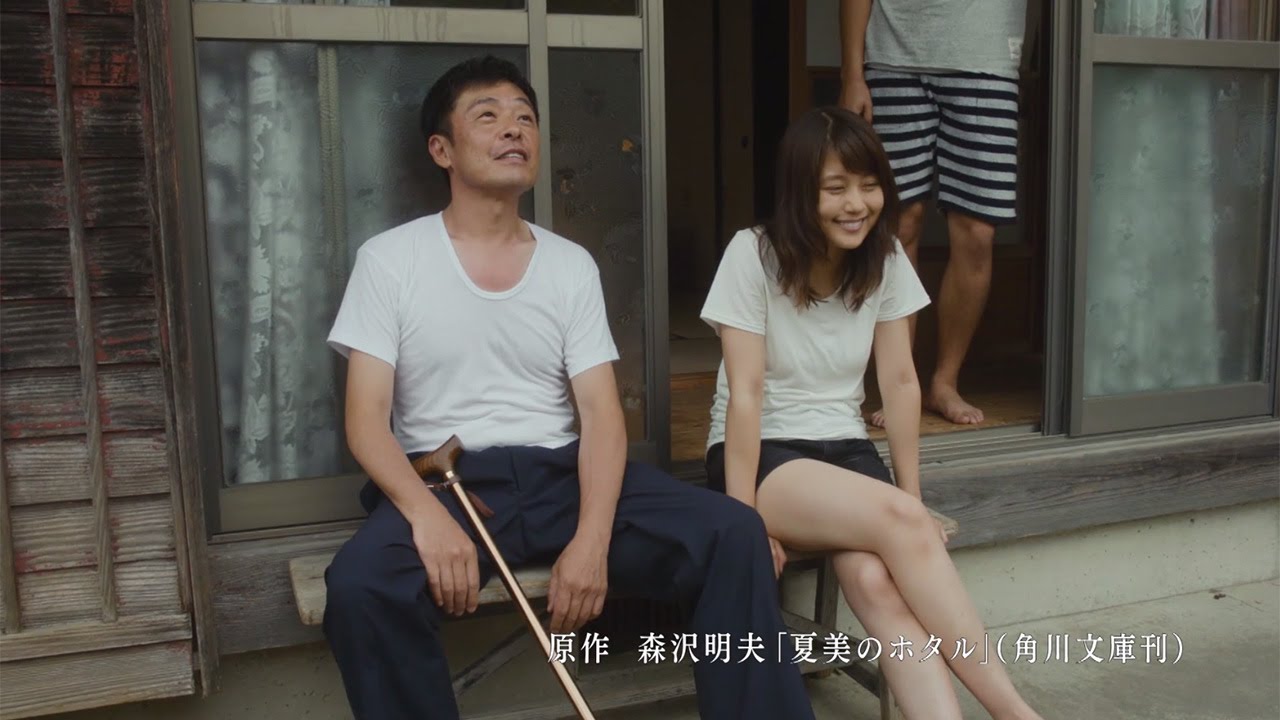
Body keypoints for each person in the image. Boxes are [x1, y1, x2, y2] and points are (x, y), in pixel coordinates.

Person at [321, 55, 817, 720]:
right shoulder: (390, 260)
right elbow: (366, 420)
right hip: (453, 488)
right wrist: (426, 519)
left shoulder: (569, 265)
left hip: (563, 478)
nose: (513, 129)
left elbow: (602, 416)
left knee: (733, 532)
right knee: (361, 586)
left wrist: (591, 539)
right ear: (442, 149)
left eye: (525, 118)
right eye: (488, 116)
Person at [700, 105, 1041, 720]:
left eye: (868, 185)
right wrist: (743, 520)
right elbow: (745, 394)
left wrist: (912, 495)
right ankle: (1015, 713)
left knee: (877, 584)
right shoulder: (751, 254)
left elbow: (901, 380)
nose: (856, 204)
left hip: (847, 448)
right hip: (765, 454)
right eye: (835, 188)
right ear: (801, 192)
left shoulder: (883, 257)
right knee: (901, 524)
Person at [839, 0, 1029, 426]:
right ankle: (899, 383)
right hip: (892, 60)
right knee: (897, 225)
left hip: (988, 60)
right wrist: (852, 73)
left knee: (977, 231)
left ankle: (945, 381)